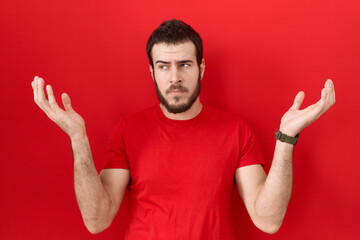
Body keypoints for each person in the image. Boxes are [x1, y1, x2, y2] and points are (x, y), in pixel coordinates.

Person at [31, 19, 335, 239]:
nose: (174, 77)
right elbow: (97, 220)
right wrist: (78, 139)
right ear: (151, 72)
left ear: (201, 68)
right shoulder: (128, 130)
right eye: (164, 66)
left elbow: (268, 220)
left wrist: (286, 139)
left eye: (185, 65)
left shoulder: (235, 131)